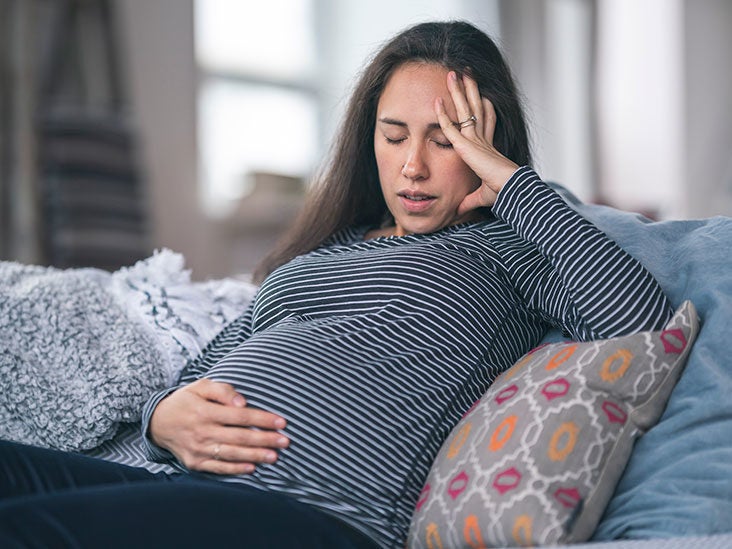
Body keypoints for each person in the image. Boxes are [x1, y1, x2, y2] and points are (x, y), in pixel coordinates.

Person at [0, 20, 672, 549]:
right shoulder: (327, 251)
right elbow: (203, 369)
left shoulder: (508, 248)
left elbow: (639, 313)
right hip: (176, 480)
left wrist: (510, 183)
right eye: (394, 134)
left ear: (486, 145)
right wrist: (161, 419)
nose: (412, 165)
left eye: (444, 140)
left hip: (307, 511)